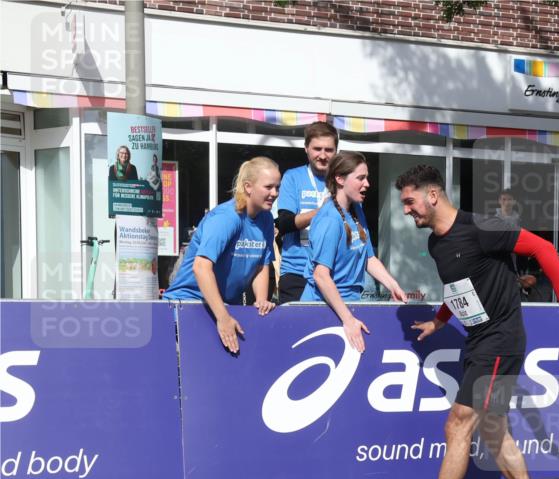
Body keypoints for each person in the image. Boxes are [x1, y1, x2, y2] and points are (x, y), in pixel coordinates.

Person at [386, 165, 559, 479]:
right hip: (480, 342)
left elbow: (543, 249)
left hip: (500, 342)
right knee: (493, 429)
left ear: (432, 195)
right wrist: (439, 320)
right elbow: (461, 288)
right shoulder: (438, 244)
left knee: (458, 423)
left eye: (410, 201)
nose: (406, 210)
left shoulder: (483, 228)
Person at [163, 157, 279, 352]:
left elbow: (261, 264)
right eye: (268, 187)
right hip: (188, 304)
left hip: (222, 307)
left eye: (277, 187)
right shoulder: (227, 218)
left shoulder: (266, 219)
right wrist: (223, 317)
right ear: (248, 187)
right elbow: (201, 267)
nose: (274, 193)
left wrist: (260, 300)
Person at [300, 151, 407, 352]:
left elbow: (369, 257)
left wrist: (392, 285)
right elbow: (321, 276)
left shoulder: (356, 209)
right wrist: (348, 320)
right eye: (360, 178)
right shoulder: (330, 219)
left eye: (367, 177)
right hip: (323, 311)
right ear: (339, 179)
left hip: (349, 307)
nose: (367, 184)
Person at [274, 121, 339, 303]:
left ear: (336, 151)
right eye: (317, 149)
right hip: (296, 273)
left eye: (329, 150)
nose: (323, 155)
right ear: (306, 148)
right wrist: (323, 210)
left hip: (332, 273)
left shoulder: (343, 180)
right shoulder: (293, 177)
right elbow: (285, 224)